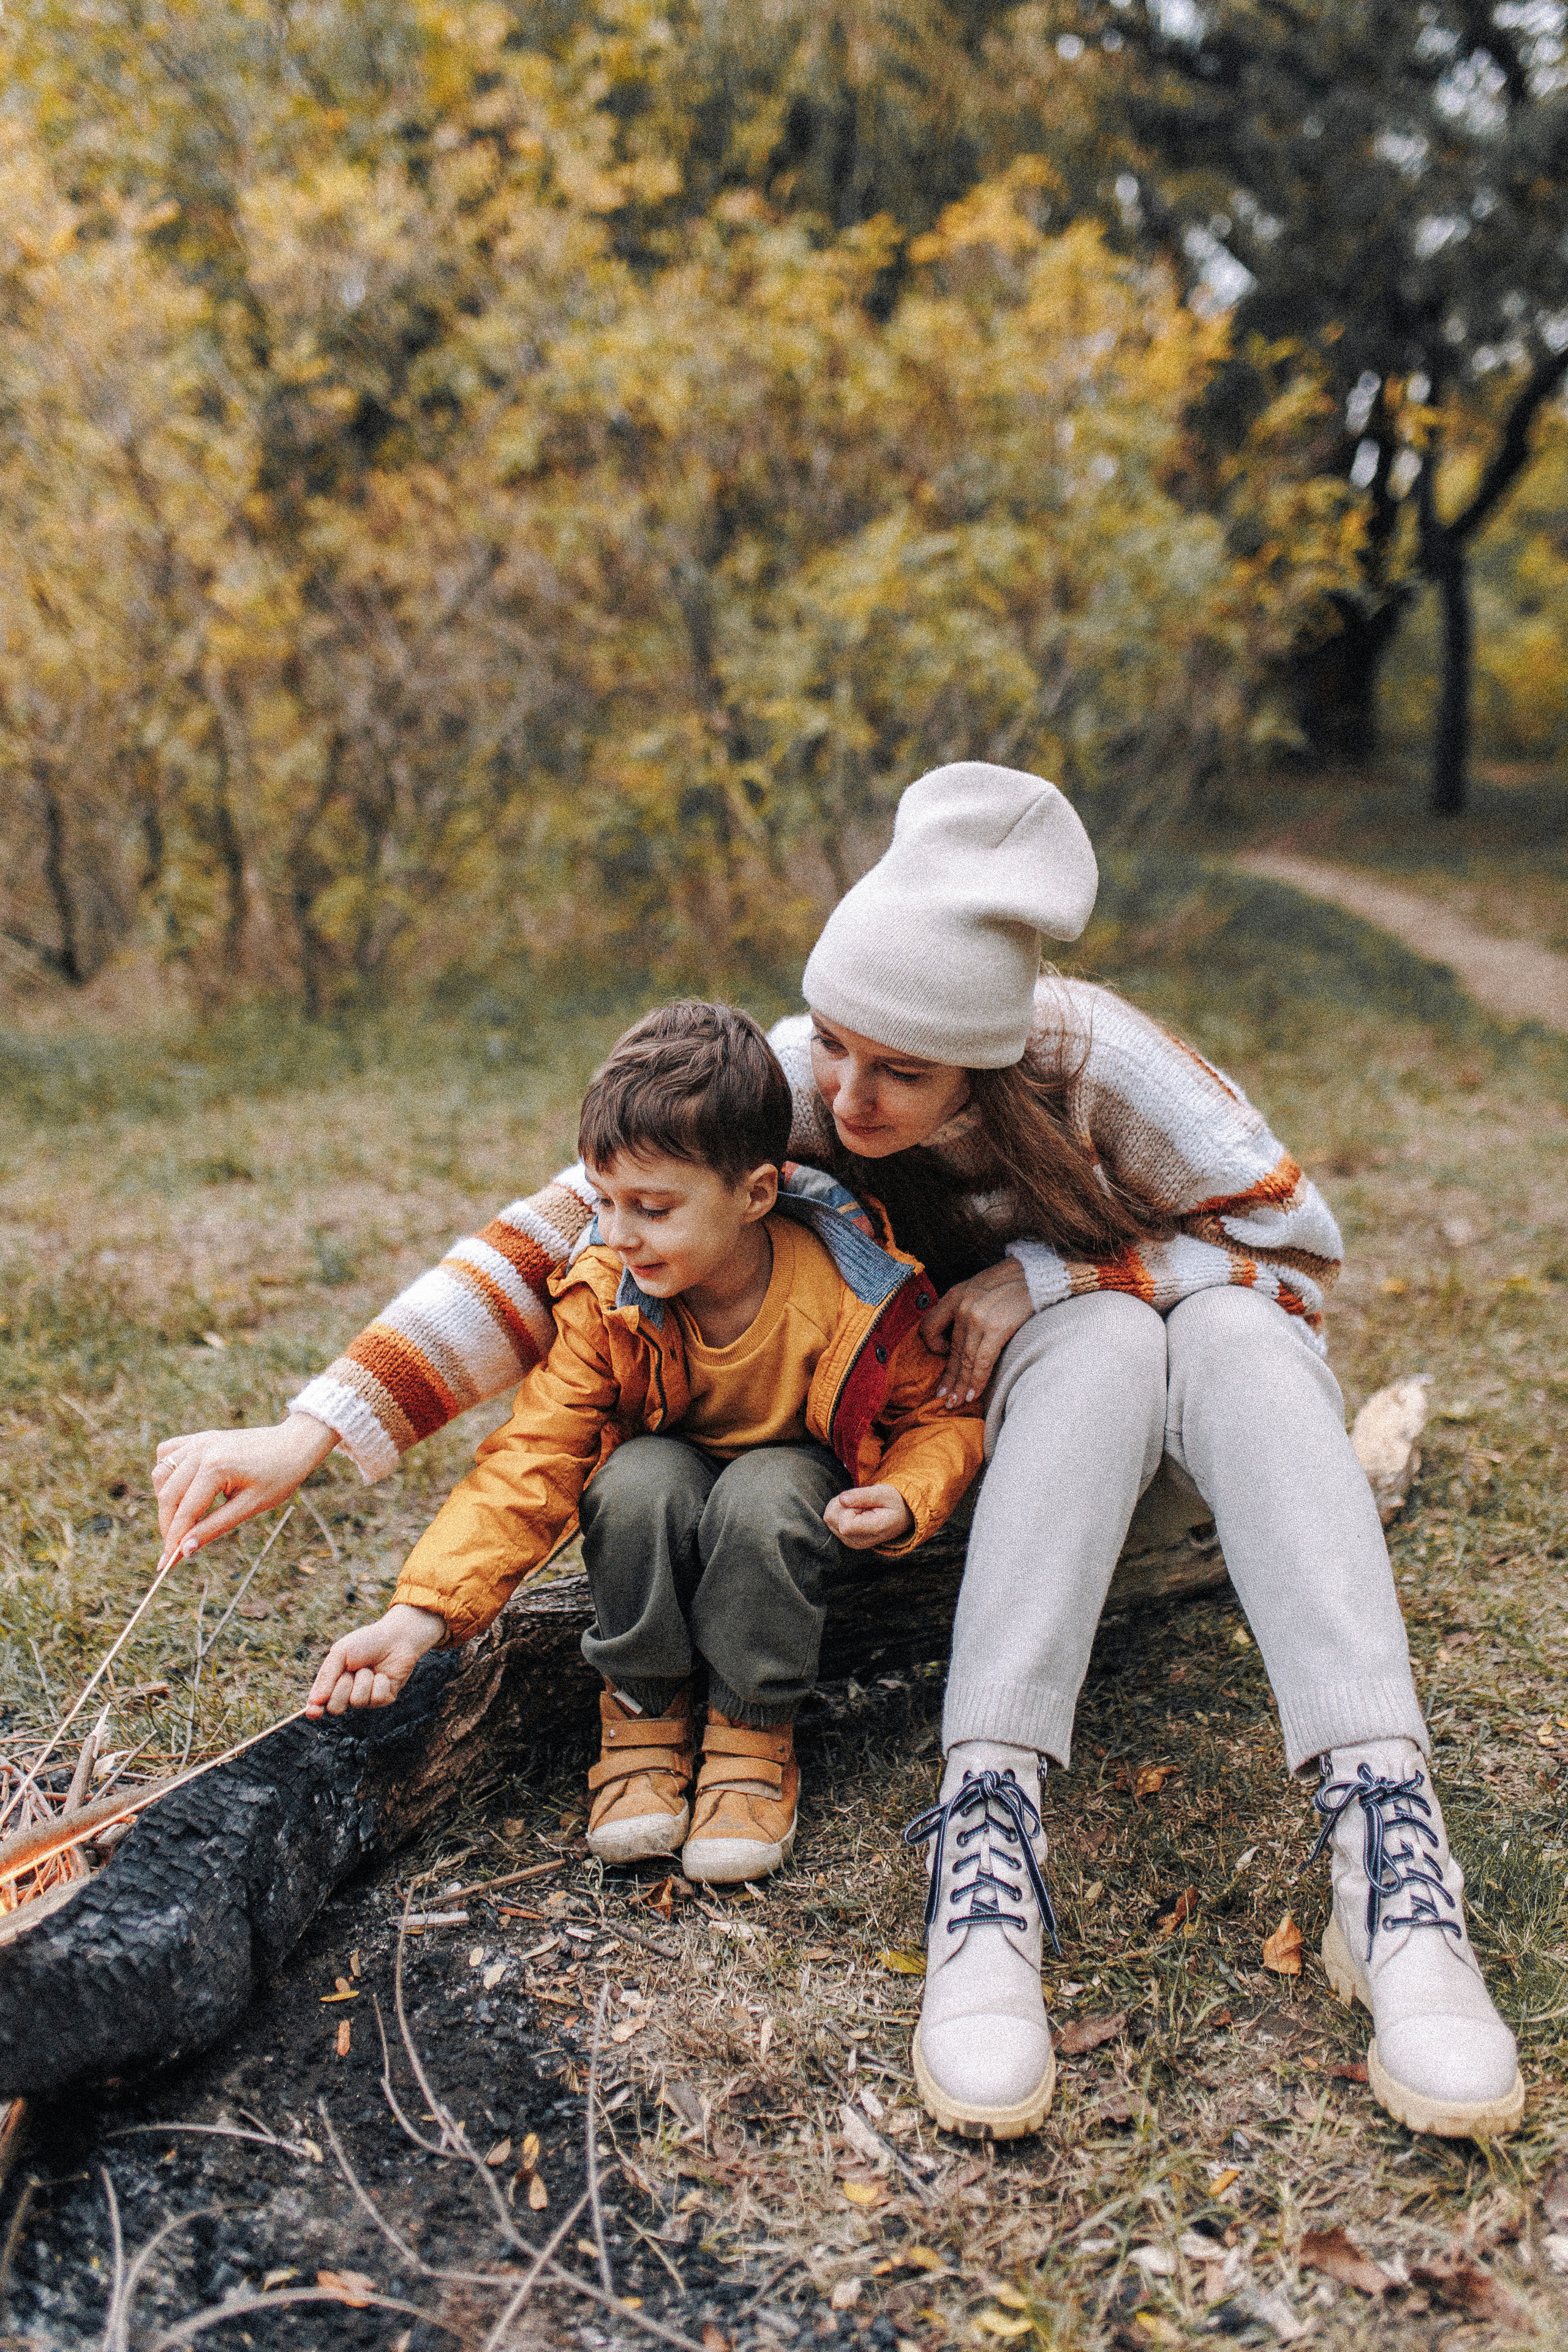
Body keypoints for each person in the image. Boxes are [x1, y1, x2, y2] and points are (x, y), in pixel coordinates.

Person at [155, 763, 1523, 2146]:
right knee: (1100, 1347)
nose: (850, 1096)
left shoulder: (1103, 1065)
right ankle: (988, 1830)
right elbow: (555, 1242)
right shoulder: (794, 1085)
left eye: (900, 1071)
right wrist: (312, 1428)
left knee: (1212, 1330)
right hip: (977, 1474)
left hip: (1186, 1457)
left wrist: (1050, 1278)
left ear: (986, 1057)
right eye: (837, 1047)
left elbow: (1296, 1260)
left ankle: (1388, 1851)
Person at [301, 1000, 984, 1887]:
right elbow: (534, 1456)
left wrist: (905, 1495)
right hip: (669, 1478)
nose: (619, 1234)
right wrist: (420, 1614)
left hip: (794, 1491)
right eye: (605, 1202)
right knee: (632, 1480)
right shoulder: (607, 1294)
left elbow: (937, 1418)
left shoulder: (854, 1292)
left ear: (754, 1195)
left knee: (767, 1491)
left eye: (653, 1209)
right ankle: (643, 1713)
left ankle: (751, 1731)